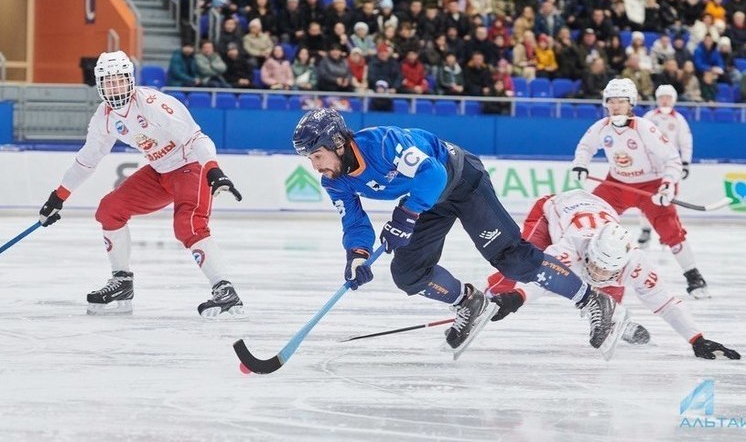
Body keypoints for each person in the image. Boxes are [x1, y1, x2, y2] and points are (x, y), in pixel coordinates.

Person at [291, 108, 626, 355]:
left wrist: (406, 215)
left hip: (462, 181)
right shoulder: (335, 181)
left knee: (512, 259)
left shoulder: (383, 143)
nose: (315, 165)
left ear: (337, 143)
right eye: (310, 158)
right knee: (408, 273)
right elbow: (353, 221)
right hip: (428, 199)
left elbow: (433, 174)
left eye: (317, 155)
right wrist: (357, 255)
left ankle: (592, 299)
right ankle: (470, 302)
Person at [37, 51, 244, 318]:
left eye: (120, 80)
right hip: (160, 171)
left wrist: (214, 170)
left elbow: (197, 138)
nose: (115, 87)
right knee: (109, 209)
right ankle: (122, 281)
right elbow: (87, 160)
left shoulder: (154, 104)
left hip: (190, 166)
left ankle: (224, 289)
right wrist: (58, 197)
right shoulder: (104, 117)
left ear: (130, 80)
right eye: (108, 82)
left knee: (188, 225)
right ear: (99, 85)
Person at [485, 190, 739, 360]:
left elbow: (665, 302)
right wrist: (515, 298)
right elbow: (543, 276)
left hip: (600, 210)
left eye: (608, 270)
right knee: (517, 263)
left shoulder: (635, 262)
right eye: (595, 266)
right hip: (553, 209)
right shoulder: (573, 245)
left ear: (623, 262)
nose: (597, 274)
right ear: (590, 251)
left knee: (609, 294)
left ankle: (612, 315)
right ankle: (487, 298)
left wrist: (697, 339)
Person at [570, 78, 709, 298]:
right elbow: (586, 146)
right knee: (590, 217)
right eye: (611, 101)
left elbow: (672, 158)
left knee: (671, 231)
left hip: (650, 185)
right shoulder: (601, 127)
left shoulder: (645, 127)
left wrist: (667, 185)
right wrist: (580, 163)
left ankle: (694, 276)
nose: (615, 106)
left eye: (621, 101)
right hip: (615, 185)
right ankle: (583, 269)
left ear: (631, 103)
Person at [637, 85, 693, 247]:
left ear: (674, 100)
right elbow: (639, 139)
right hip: (650, 167)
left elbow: (686, 142)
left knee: (669, 200)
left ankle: (666, 232)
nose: (665, 100)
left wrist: (686, 162)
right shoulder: (649, 117)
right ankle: (645, 230)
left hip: (670, 167)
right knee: (645, 199)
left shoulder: (679, 119)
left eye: (668, 97)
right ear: (657, 99)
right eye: (662, 97)